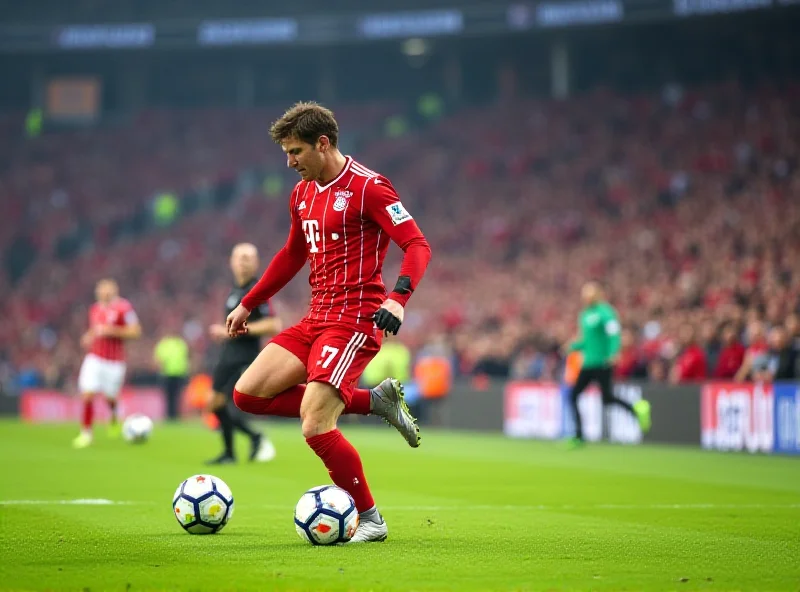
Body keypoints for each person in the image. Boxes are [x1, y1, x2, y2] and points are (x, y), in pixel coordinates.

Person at [227, 102, 431, 543]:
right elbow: (291, 255)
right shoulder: (301, 193)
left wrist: (398, 299)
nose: (289, 162)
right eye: (286, 153)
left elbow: (416, 245)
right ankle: (375, 402)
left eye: (296, 151)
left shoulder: (369, 188)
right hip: (315, 317)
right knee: (246, 396)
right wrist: (249, 302)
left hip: (354, 320)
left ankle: (371, 520)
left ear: (324, 143)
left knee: (315, 425)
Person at [207, 243, 282, 464]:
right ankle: (240, 446)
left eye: (248, 258)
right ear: (232, 262)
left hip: (244, 356)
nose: (244, 262)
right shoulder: (234, 290)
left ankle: (247, 442)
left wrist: (241, 329)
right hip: (227, 354)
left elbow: (273, 324)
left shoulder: (259, 289)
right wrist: (225, 332)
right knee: (214, 404)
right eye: (240, 258)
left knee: (221, 403)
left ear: (256, 263)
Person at [564, 282, 650, 448]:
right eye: (584, 294)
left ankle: (638, 408)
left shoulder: (606, 312)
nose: (586, 297)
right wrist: (573, 346)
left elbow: (614, 334)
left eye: (589, 293)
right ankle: (579, 435)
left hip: (603, 362)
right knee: (577, 396)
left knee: (606, 398)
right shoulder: (584, 314)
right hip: (588, 362)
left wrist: (613, 352)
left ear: (597, 294)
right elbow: (587, 340)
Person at [73, 279, 142, 448]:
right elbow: (96, 329)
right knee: (87, 394)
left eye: (107, 290)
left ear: (114, 291)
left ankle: (114, 415)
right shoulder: (95, 309)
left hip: (114, 362)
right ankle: (86, 433)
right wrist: (88, 336)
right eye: (101, 290)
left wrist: (112, 331)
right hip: (95, 358)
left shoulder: (124, 308)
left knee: (110, 397)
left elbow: (135, 331)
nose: (104, 293)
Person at [153, 321, 190, 421]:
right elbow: (157, 359)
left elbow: (186, 358)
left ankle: (175, 416)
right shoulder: (165, 343)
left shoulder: (180, 343)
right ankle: (169, 416)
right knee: (168, 396)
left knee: (177, 396)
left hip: (179, 373)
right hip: (167, 374)